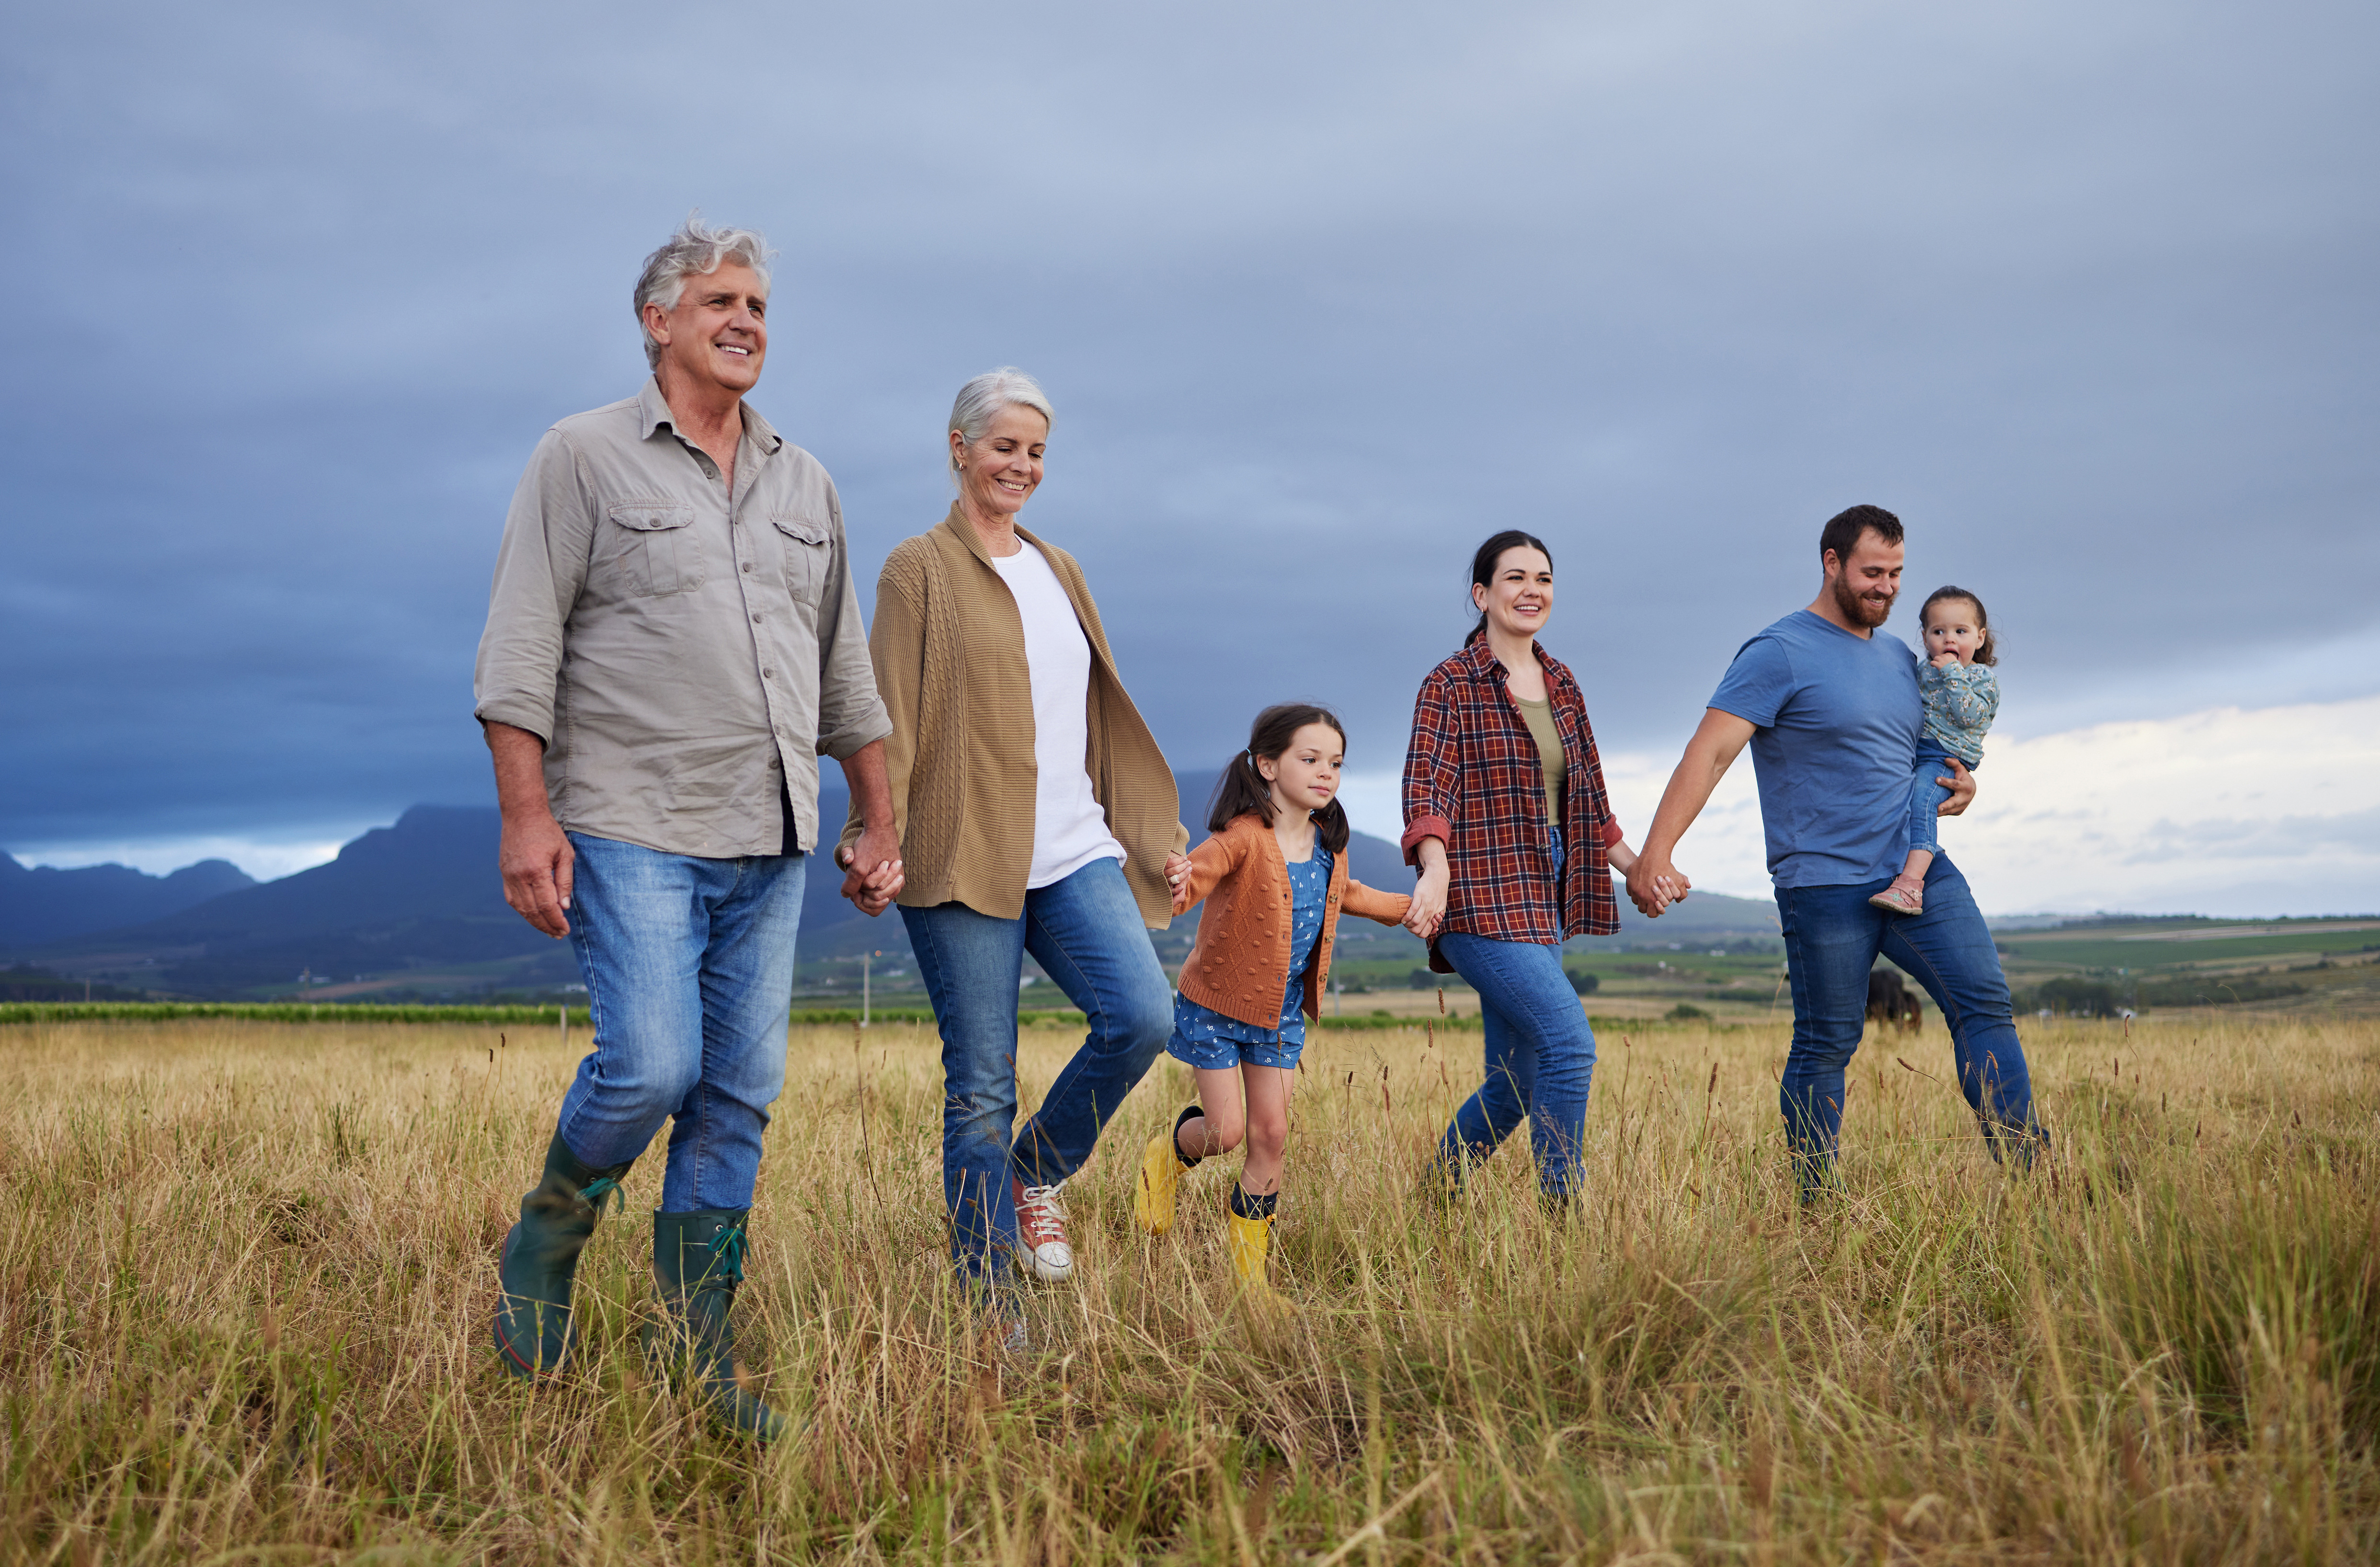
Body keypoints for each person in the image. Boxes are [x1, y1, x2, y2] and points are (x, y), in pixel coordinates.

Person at [473, 219, 902, 1441]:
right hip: (630, 819)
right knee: (654, 1063)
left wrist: (875, 817)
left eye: (759, 304)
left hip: (768, 836)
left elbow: (844, 673)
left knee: (737, 1095)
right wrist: (524, 815)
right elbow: (519, 646)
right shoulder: (582, 456)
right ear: (657, 320)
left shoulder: (804, 480)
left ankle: (698, 1348)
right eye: (720, 299)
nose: (747, 321)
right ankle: (550, 1230)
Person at [839, 368, 1189, 1326]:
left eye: (1036, 452)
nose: (1022, 467)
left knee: (1143, 1018)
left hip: (1073, 847)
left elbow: (1097, 714)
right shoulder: (918, 568)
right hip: (962, 855)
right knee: (981, 1083)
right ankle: (989, 1299)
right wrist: (875, 831)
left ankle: (1036, 1175)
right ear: (958, 448)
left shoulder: (1059, 566)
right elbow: (889, 711)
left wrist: (1151, 838)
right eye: (1005, 447)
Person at [1626, 505, 2044, 1196]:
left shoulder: (1903, 660)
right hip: (1823, 883)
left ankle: (2035, 1175)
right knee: (1828, 1043)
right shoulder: (1779, 651)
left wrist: (1962, 786)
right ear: (1831, 562)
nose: (1886, 587)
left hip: (1918, 869)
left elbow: (1923, 752)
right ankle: (1817, 1203)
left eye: (1897, 574)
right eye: (1872, 572)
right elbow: (1711, 752)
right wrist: (1655, 853)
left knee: (1985, 1005)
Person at [1402, 531, 1671, 1208]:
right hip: (1475, 891)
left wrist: (1640, 869)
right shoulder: (1450, 683)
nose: (1532, 590)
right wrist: (1433, 870)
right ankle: (1563, 1216)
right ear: (1482, 594)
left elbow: (1591, 803)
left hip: (1543, 888)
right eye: (1515, 577)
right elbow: (1427, 790)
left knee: (1515, 1083)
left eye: (1544, 578)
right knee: (1569, 1046)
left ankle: (1434, 1198)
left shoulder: (1563, 683)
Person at [1133, 705, 1413, 1302]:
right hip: (1215, 1006)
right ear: (1266, 765)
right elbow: (1202, 873)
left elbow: (1350, 894)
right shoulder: (1243, 838)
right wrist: (1181, 878)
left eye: (1335, 762)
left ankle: (1250, 1284)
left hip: (1280, 1016)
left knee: (1271, 1136)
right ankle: (1167, 1152)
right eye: (1309, 759)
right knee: (1227, 1132)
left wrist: (1408, 910)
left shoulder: (1329, 848)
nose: (1325, 773)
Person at [1870, 587, 2000, 916]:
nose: (1949, 639)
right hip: (1920, 749)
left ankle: (1911, 885)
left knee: (1922, 804)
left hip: (1945, 754)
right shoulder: (1922, 671)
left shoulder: (1980, 677)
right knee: (1909, 801)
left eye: (1961, 631)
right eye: (1938, 631)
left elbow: (1970, 715)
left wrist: (1953, 673)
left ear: (1980, 637)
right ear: (1925, 637)